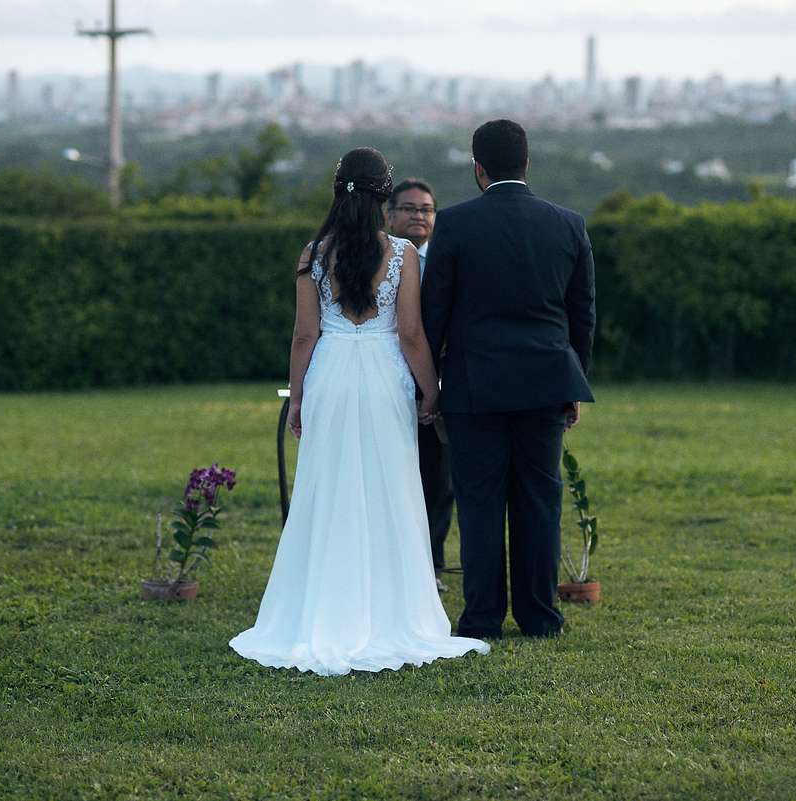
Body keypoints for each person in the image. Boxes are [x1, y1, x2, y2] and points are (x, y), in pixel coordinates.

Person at [230, 147, 489, 675]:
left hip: (329, 374)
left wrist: (297, 396)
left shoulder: (312, 253)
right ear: (383, 196)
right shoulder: (402, 255)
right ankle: (391, 610)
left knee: (326, 488)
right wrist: (431, 391)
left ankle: (319, 609)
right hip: (382, 376)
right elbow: (412, 334)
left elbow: (305, 334)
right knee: (390, 486)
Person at [421, 119, 596, 640]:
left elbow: (434, 316)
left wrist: (429, 387)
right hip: (546, 381)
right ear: (527, 162)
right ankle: (541, 618)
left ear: (478, 168)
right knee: (540, 500)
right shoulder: (569, 224)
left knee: (479, 503)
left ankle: (482, 620)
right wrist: (573, 380)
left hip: (474, 388)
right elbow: (582, 315)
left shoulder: (453, 225)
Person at [386, 178, 454, 595]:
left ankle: (432, 567)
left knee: (437, 479)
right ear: (390, 215)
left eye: (426, 209)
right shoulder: (378, 260)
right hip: (386, 380)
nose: (418, 215)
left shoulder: (446, 261)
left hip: (438, 383)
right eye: (408, 208)